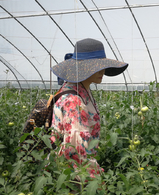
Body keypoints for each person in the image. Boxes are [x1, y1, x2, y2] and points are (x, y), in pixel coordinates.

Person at [50, 38, 128, 180]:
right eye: (96, 67)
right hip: (73, 177)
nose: (102, 71)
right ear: (83, 68)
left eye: (102, 66)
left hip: (73, 171)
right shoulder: (74, 101)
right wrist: (97, 183)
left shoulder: (81, 90)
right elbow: (76, 151)